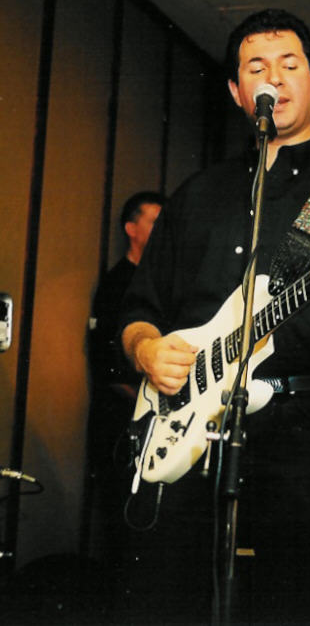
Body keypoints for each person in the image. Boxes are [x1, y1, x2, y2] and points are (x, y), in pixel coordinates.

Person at [117, 9, 310, 624]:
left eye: (290, 65)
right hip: (183, 433)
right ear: (237, 91)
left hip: (309, 442)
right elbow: (138, 310)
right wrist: (146, 349)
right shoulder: (196, 195)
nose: (274, 78)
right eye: (256, 67)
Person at [87, 191, 163, 601]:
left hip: (154, 421)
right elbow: (107, 365)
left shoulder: (159, 283)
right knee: (121, 518)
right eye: (154, 221)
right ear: (131, 229)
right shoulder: (118, 284)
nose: (162, 229)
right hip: (121, 421)